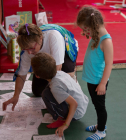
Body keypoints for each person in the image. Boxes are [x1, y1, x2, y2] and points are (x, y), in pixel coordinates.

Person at [3, 23, 78, 111]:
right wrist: (16, 96)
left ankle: (72, 75)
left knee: (63, 80)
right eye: (26, 49)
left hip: (65, 51)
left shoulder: (54, 37)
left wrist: (55, 91)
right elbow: (21, 75)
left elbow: (57, 69)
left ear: (40, 39)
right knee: (38, 91)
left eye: (31, 48)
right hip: (44, 59)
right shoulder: (27, 50)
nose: (29, 53)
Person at [76, 6, 113, 140]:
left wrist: (103, 83)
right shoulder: (96, 36)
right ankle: (100, 124)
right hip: (92, 79)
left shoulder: (106, 41)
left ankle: (101, 130)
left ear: (93, 26)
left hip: (98, 81)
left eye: (86, 29)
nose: (85, 32)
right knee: (96, 104)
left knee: (100, 106)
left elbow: (109, 64)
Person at [31, 52, 89, 137]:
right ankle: (61, 112)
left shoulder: (55, 87)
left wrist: (65, 125)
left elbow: (74, 104)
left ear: (37, 76)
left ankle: (60, 118)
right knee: (48, 90)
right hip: (83, 104)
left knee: (45, 94)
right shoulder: (60, 72)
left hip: (76, 114)